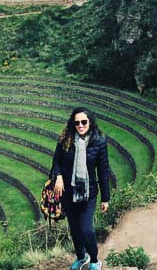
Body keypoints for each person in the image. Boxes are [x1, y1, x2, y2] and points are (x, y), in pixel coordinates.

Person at [50, 107, 111, 270]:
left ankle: (94, 260)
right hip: (67, 192)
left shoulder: (99, 141)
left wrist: (106, 198)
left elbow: (103, 170)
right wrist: (59, 177)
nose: (80, 125)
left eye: (84, 122)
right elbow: (57, 161)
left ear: (90, 122)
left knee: (86, 229)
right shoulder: (66, 138)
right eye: (77, 122)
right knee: (75, 229)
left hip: (88, 192)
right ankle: (80, 257)